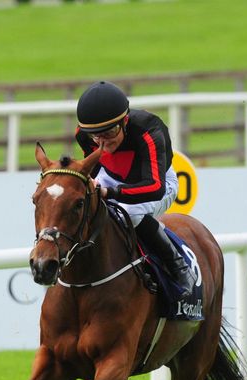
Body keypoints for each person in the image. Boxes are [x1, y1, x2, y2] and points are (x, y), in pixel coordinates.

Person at [75, 81, 195, 298]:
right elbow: (94, 166)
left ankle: (178, 266)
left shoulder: (150, 131)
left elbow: (154, 187)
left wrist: (110, 193)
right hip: (110, 178)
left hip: (157, 183)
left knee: (128, 213)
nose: (103, 143)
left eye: (110, 132)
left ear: (125, 121)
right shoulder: (85, 134)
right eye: (96, 136)